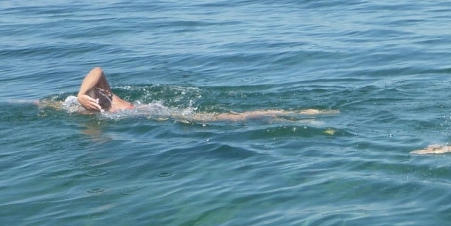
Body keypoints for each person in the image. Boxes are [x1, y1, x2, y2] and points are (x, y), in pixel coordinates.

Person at [64, 67, 334, 122]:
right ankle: (286, 117)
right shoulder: (96, 108)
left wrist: (81, 93)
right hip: (157, 115)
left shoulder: (104, 98)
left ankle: (298, 114)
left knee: (231, 119)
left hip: (161, 114)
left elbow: (97, 69)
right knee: (232, 118)